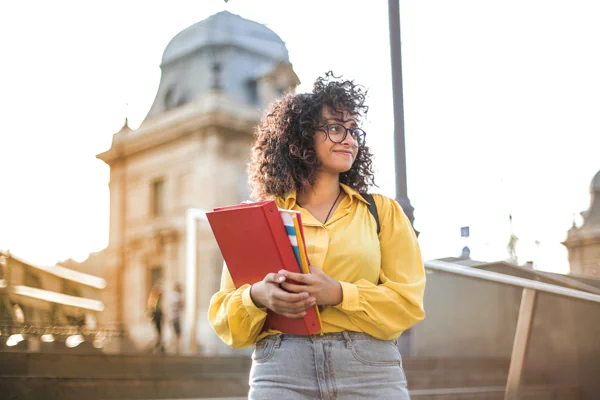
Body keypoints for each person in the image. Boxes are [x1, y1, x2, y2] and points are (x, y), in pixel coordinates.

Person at [208, 72, 426, 399]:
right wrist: (258, 296)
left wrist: (339, 293)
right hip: (280, 368)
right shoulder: (262, 218)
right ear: (301, 136)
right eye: (336, 128)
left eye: (354, 131)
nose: (350, 139)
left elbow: (408, 304)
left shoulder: (382, 212)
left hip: (368, 368)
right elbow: (226, 318)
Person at [147, 283, 164, 353]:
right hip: (156, 315)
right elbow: (152, 307)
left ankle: (158, 343)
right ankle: (157, 343)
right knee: (158, 330)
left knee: (158, 330)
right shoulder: (154, 298)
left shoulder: (157, 298)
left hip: (157, 315)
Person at [169, 282, 184, 354]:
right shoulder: (178, 296)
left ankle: (174, 348)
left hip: (171, 317)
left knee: (174, 333)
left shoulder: (171, 296)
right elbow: (182, 307)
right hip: (176, 317)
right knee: (178, 334)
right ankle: (177, 348)